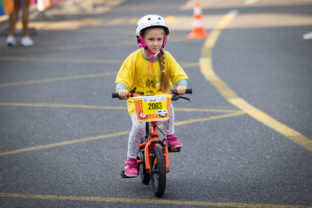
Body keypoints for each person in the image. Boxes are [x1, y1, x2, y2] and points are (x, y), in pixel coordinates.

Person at [115, 14, 189, 177]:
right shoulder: (133, 59)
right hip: (138, 101)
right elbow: (123, 78)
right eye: (151, 39)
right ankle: (131, 160)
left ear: (164, 39)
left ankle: (169, 135)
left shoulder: (165, 57)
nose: (156, 43)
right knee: (139, 127)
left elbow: (178, 74)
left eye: (159, 39)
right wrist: (122, 89)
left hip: (160, 99)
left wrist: (182, 85)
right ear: (141, 39)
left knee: (169, 107)